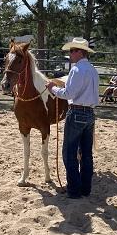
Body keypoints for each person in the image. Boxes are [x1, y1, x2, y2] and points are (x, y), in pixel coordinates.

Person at [46, 37, 99, 199]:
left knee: (69, 153)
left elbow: (68, 94)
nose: (70, 54)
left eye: (71, 51)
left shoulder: (76, 70)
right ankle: (85, 188)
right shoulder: (93, 70)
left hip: (76, 112)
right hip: (90, 113)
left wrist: (53, 88)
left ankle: (74, 190)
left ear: (79, 52)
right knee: (86, 153)